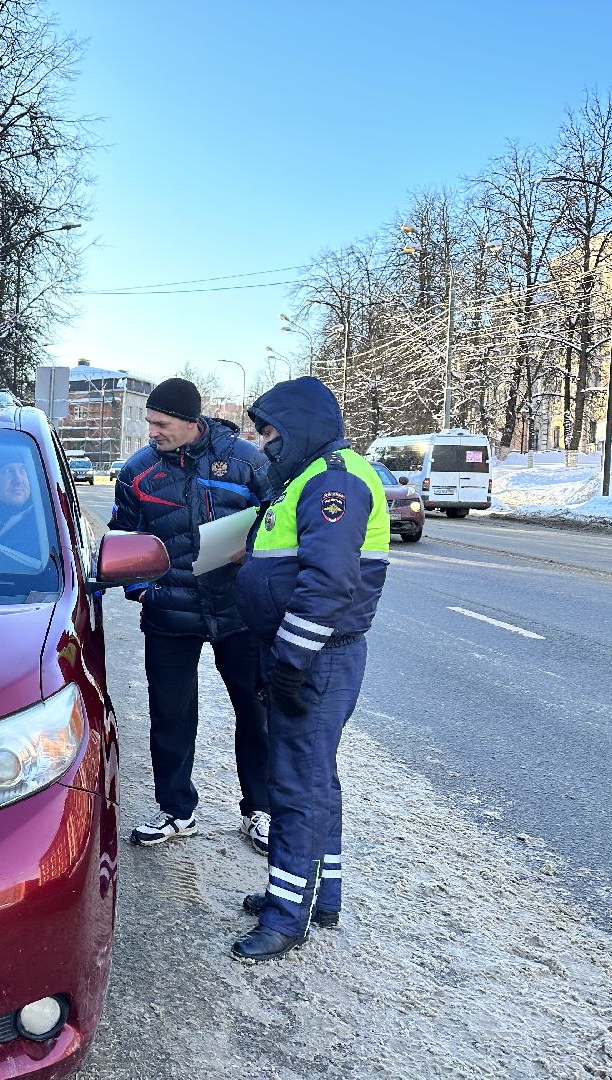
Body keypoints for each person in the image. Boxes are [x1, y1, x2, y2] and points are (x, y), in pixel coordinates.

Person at [231, 376, 389, 962]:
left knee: (296, 784)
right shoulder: (309, 477)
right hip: (311, 652)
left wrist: (291, 662)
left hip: (318, 656)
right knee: (317, 777)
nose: (264, 441)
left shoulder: (333, 483)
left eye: (269, 430)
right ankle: (317, 894)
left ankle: (285, 917)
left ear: (299, 425)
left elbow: (328, 584)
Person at [110, 377, 274, 853]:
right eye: (149, 423)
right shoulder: (138, 471)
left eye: (161, 423)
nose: (152, 432)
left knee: (256, 711)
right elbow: (125, 538)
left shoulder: (246, 461)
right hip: (169, 614)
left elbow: (278, 523)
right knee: (171, 715)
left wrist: (255, 559)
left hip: (239, 611)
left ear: (189, 421)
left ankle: (259, 810)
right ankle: (176, 811)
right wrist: (142, 590)